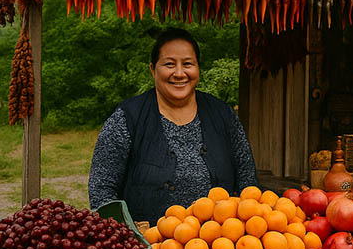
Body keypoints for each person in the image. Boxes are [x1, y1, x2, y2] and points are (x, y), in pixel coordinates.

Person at [89, 28, 258, 222]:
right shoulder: (127, 117)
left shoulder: (223, 115)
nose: (179, 73)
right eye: (169, 64)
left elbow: (248, 182)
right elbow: (102, 190)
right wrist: (127, 237)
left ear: (198, 69)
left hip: (218, 247)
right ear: (153, 69)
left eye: (187, 64)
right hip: (148, 246)